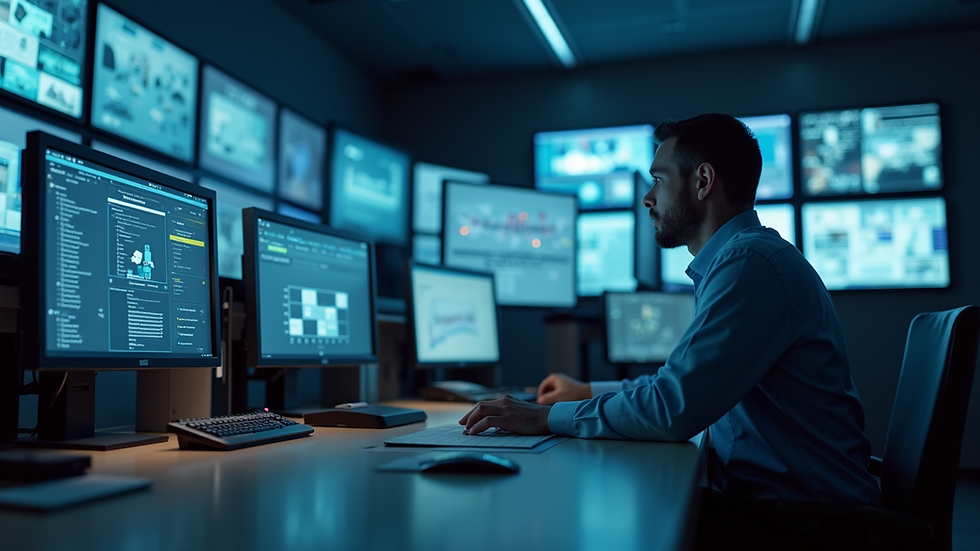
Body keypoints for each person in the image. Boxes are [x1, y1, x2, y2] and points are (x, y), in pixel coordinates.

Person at [459, 113, 881, 547]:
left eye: (658, 179)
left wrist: (544, 417)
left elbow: (672, 408)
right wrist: (587, 391)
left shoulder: (750, 265)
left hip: (806, 525)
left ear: (702, 182)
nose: (647, 197)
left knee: (586, 527)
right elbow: (681, 387)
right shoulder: (743, 260)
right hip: (785, 508)